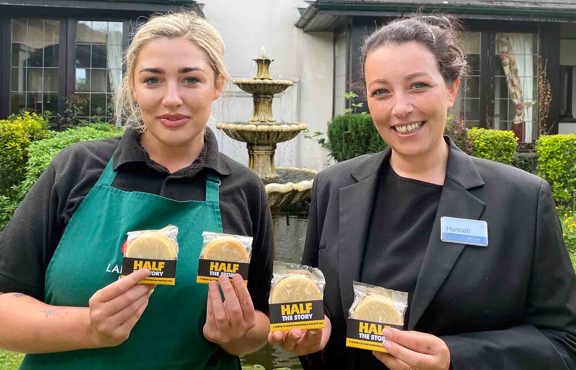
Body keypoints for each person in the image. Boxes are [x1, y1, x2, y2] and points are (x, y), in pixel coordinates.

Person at [269, 14, 576, 370]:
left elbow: (563, 343)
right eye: (381, 91)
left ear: (451, 88)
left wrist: (455, 359)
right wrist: (312, 336)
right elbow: (319, 309)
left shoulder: (521, 200)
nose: (400, 108)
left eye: (418, 85)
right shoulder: (334, 186)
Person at [0, 11, 273, 370]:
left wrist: (238, 334)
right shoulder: (76, 169)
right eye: (153, 80)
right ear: (132, 84)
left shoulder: (244, 188)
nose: (172, 98)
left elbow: (261, 324)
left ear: (218, 84)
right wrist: (90, 327)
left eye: (191, 80)